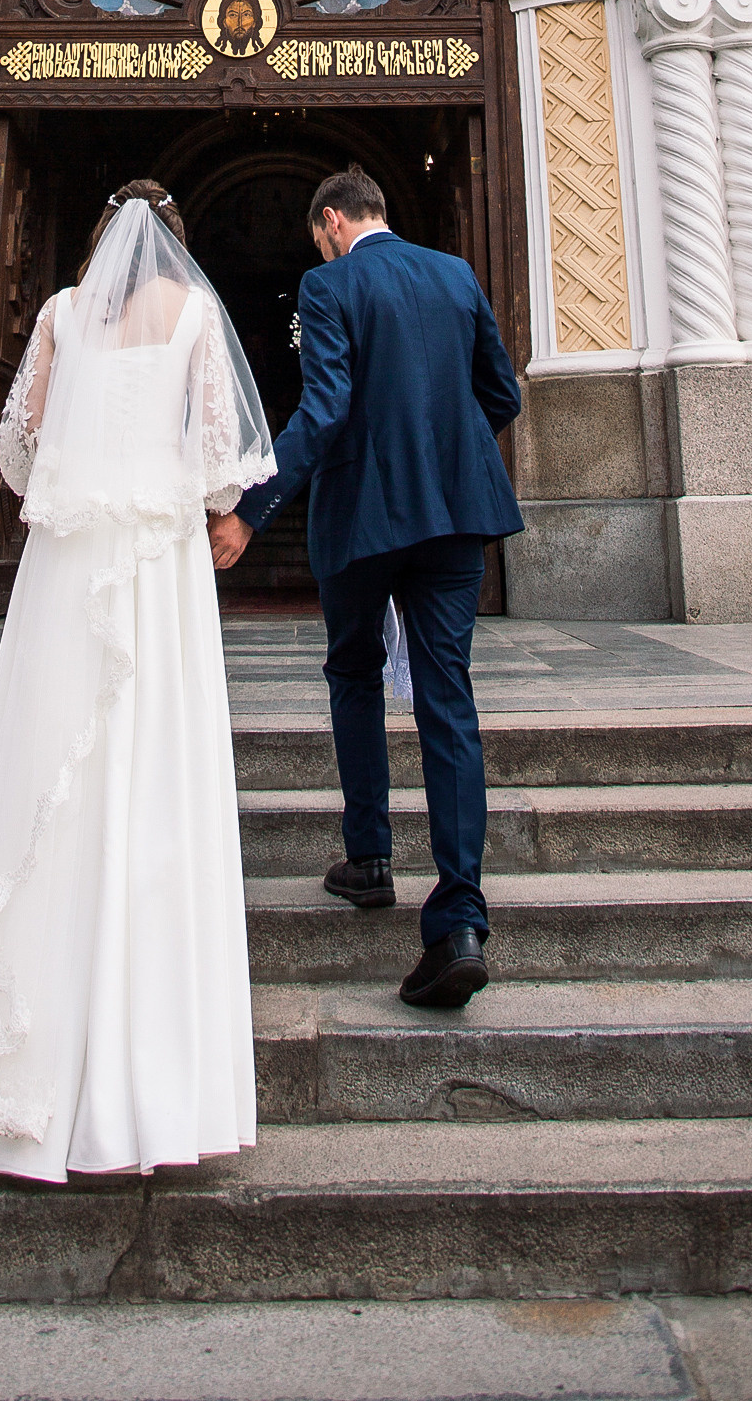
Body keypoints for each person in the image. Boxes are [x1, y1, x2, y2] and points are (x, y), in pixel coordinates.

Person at [0, 180, 275, 1180]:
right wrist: (186, 487)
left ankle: (9, 1042)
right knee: (151, 755)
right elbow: (221, 458)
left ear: (100, 239)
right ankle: (146, 1079)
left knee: (44, 751)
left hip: (69, 553)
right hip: (155, 554)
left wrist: (79, 462)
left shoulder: (60, 312)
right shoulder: (195, 312)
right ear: (174, 244)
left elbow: (19, 447)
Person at [209, 166, 524, 1010]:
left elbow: (325, 410)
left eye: (321, 237)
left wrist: (250, 510)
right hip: (456, 514)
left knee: (354, 672)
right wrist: (444, 450)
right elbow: (500, 393)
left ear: (333, 222)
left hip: (363, 517)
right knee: (447, 696)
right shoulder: (455, 274)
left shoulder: (331, 284)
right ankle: (459, 922)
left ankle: (370, 856)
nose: (323, 249)